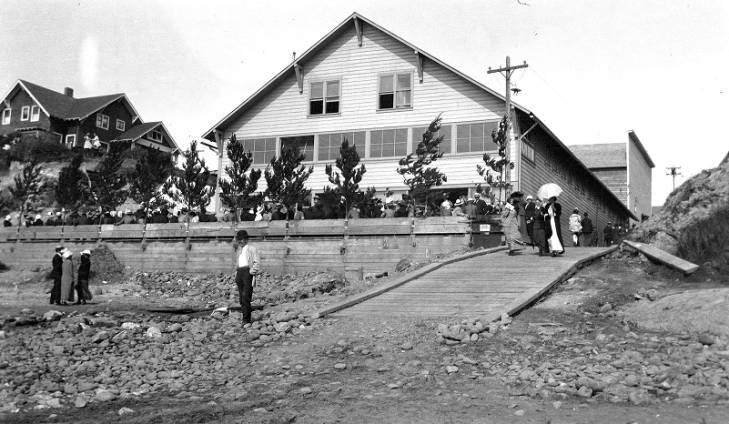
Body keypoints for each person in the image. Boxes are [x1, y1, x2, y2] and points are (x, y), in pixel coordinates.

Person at [235, 230, 261, 325]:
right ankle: (245, 317)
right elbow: (238, 263)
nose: (241, 241)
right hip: (240, 272)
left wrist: (252, 271)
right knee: (241, 298)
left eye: (243, 239)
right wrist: (236, 273)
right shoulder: (239, 250)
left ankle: (246, 320)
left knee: (246, 296)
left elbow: (256, 261)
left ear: (246, 239)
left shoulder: (251, 249)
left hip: (247, 273)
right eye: (239, 239)